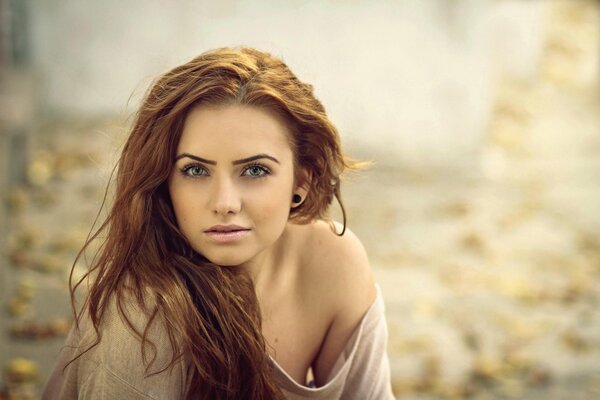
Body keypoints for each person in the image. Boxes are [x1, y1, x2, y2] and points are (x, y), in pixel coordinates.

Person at [42, 47, 395, 400]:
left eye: (255, 170)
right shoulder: (142, 314)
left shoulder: (333, 262)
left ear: (301, 182)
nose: (224, 203)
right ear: (164, 182)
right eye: (195, 170)